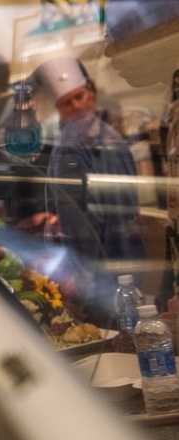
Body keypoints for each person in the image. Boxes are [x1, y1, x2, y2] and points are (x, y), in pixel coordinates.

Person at [31, 55, 145, 325]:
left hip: (102, 279)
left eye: (79, 96)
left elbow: (80, 227)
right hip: (118, 273)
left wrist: (78, 282)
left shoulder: (86, 146)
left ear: (90, 92)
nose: (77, 106)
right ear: (58, 108)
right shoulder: (103, 139)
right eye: (66, 103)